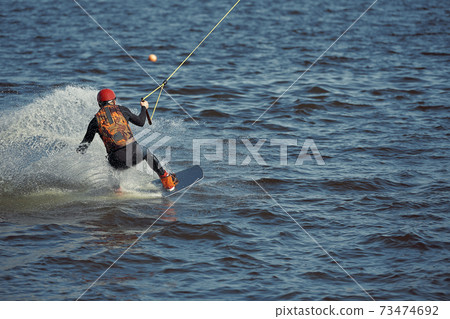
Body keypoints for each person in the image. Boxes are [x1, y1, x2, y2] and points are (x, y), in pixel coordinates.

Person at [76, 88, 178, 191]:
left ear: (99, 104)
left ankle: (117, 191)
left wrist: (74, 154)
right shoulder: (122, 110)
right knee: (146, 152)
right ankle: (167, 182)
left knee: (110, 164)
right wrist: (144, 108)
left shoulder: (94, 121)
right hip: (133, 154)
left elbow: (83, 147)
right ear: (114, 101)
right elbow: (141, 122)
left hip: (116, 161)